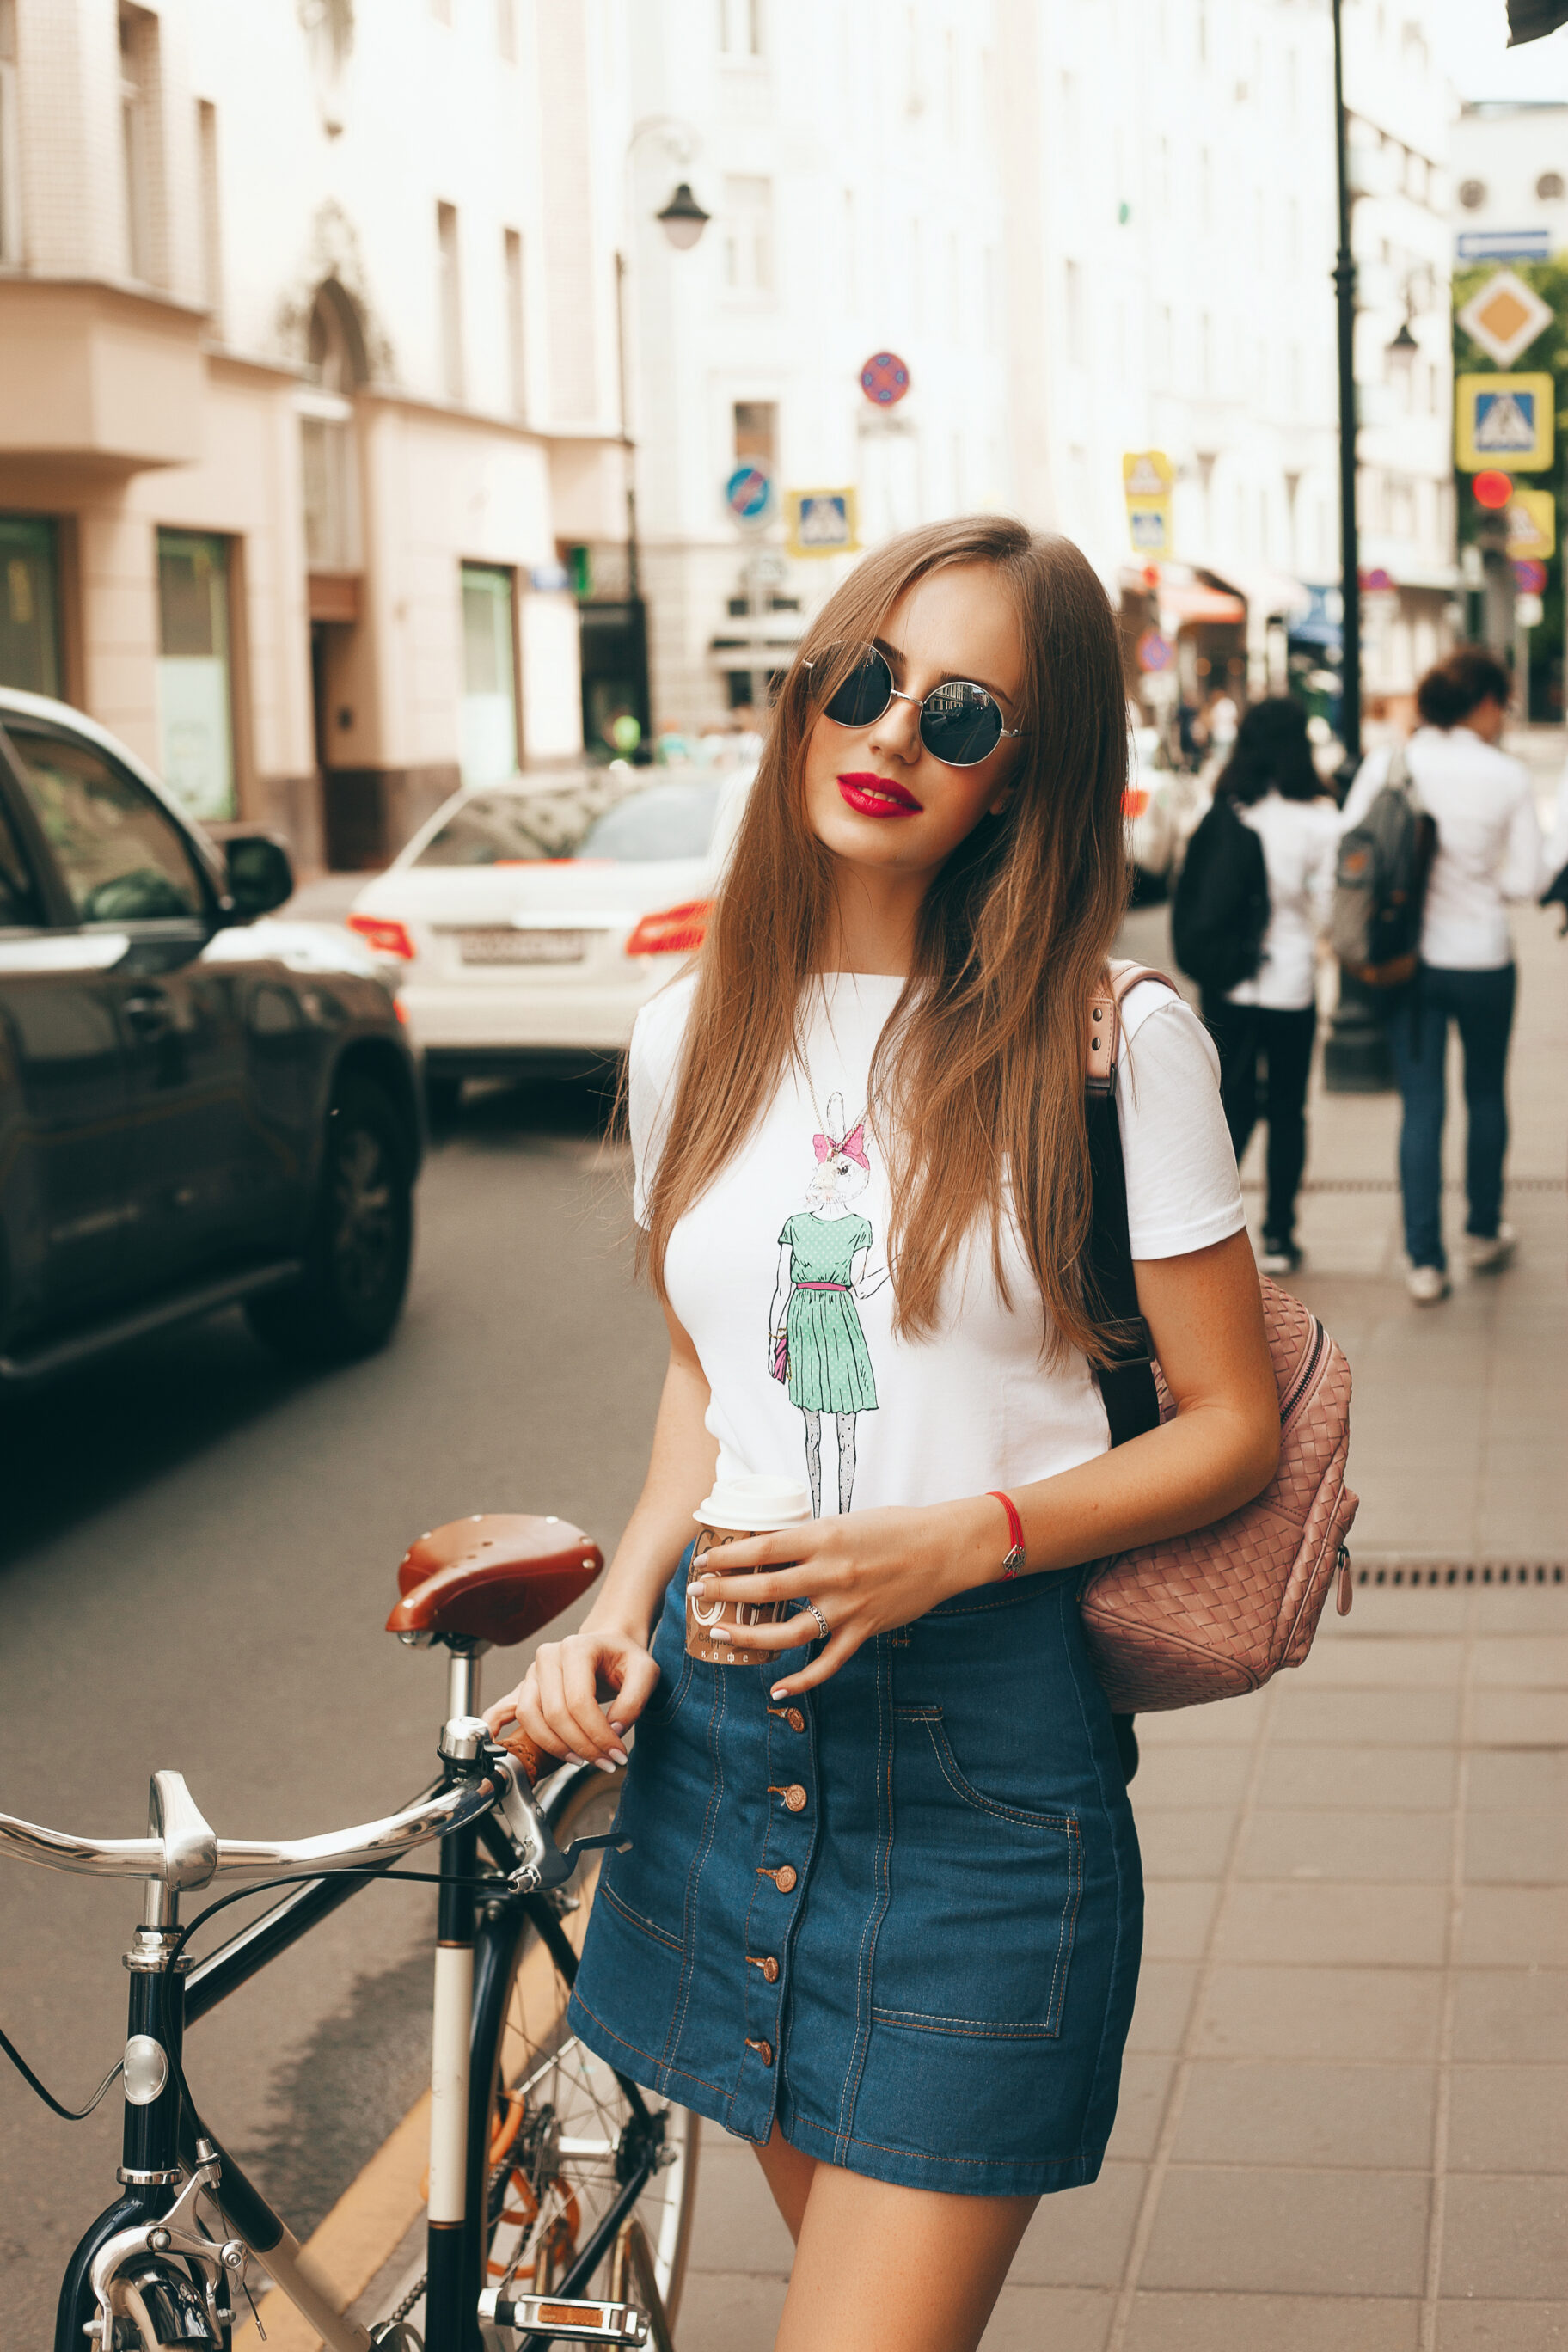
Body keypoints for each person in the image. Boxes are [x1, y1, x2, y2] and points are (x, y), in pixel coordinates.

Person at [486, 518, 1279, 2352]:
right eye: (865, 678)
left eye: (966, 710)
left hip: (979, 1768)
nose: (894, 732)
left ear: (1031, 773)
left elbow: (1232, 1424)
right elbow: (713, 1377)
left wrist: (967, 1537)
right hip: (718, 1725)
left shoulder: (1111, 1040)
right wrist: (620, 1605)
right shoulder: (697, 1028)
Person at [1340, 647, 1545, 1305]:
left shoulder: (1390, 763)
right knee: (1486, 1095)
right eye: (1503, 705)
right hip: (1484, 959)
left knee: (1421, 1106)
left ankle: (1425, 1262)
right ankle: (1484, 1230)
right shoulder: (1506, 776)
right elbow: (1528, 879)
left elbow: (1350, 851)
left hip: (1411, 963)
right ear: (1484, 702)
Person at [1199, 697, 1341, 1277]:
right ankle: (1280, 1233)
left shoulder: (1227, 806)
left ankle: (1209, 1229)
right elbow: (1329, 909)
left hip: (1227, 982)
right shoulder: (1320, 819)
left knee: (1223, 1104)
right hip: (1290, 982)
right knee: (1287, 1108)